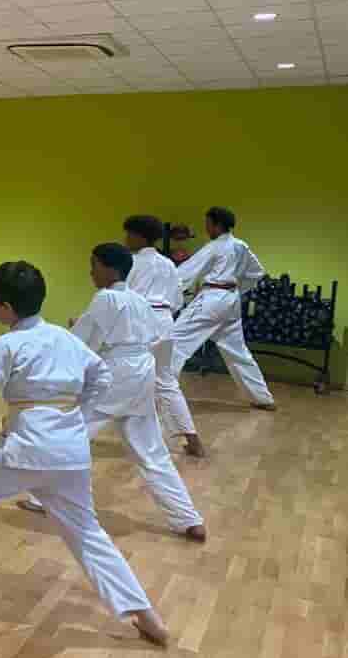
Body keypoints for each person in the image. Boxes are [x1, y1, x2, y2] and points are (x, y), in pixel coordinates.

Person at [0, 260, 168, 646]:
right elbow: (101, 376)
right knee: (86, 532)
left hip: (28, 447)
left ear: (4, 308)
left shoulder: (6, 345)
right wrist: (75, 416)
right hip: (70, 450)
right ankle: (145, 613)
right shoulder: (66, 339)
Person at [16, 244, 207, 542]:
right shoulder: (139, 301)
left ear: (110, 268)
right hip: (142, 372)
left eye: (94, 265)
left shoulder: (105, 297)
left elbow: (83, 340)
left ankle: (43, 498)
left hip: (115, 374)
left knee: (69, 434)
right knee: (152, 452)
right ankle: (188, 519)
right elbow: (149, 337)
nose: (91, 271)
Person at [162, 207, 276, 457]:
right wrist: (237, 289)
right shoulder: (240, 246)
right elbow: (256, 273)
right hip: (231, 300)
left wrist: (165, 290)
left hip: (212, 299)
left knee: (174, 339)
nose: (206, 228)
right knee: (238, 351)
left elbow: (186, 272)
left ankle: (162, 391)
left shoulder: (214, 246)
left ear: (215, 225)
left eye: (207, 224)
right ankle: (262, 397)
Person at [122, 215, 185, 446]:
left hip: (140, 322)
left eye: (128, 234)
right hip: (166, 321)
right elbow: (178, 301)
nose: (126, 239)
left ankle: (80, 433)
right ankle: (191, 437)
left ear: (139, 236)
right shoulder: (168, 264)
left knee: (116, 376)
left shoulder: (130, 262)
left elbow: (122, 297)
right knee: (165, 380)